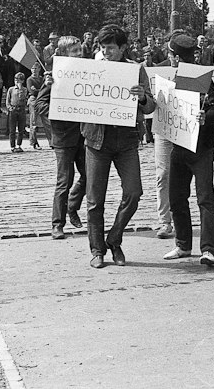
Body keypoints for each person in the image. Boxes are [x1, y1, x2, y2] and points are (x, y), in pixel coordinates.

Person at [82, 24, 155, 269]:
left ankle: (114, 238)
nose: (106, 52)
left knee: (134, 192)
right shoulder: (92, 69)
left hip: (126, 141)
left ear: (123, 47)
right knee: (94, 200)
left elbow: (151, 106)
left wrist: (142, 96)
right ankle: (97, 249)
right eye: (102, 48)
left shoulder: (136, 70)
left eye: (111, 48)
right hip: (96, 140)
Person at [162, 34, 214, 267]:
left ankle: (208, 250)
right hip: (179, 144)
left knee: (205, 198)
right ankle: (183, 244)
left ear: (176, 57)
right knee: (176, 197)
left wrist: (204, 116)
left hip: (202, 148)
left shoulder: (201, 78)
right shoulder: (167, 78)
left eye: (170, 55)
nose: (168, 58)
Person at [48, 36, 88, 239]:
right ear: (64, 54)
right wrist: (56, 113)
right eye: (75, 51)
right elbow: (40, 103)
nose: (79, 54)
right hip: (64, 137)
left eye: (80, 50)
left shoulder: (87, 73)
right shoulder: (55, 76)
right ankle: (58, 224)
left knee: (90, 175)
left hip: (83, 135)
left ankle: (72, 206)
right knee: (64, 181)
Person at [153, 33, 189, 239]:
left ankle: (180, 218)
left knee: (182, 176)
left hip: (184, 128)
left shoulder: (194, 71)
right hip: (163, 128)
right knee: (163, 174)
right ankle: (165, 221)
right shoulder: (158, 70)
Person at [6, 72, 29, 152]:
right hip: (13, 109)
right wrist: (9, 108)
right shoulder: (11, 89)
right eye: (15, 80)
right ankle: (12, 145)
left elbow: (24, 98)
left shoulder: (24, 90)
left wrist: (20, 90)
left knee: (21, 129)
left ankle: (19, 144)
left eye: (18, 80)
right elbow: (8, 100)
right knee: (12, 129)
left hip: (21, 109)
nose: (16, 82)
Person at [26, 62, 45, 150]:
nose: (34, 70)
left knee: (46, 120)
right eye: (32, 68)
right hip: (33, 99)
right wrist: (40, 90)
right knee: (33, 121)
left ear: (39, 69)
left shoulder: (41, 79)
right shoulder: (29, 79)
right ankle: (33, 141)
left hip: (41, 99)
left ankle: (51, 141)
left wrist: (39, 90)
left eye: (36, 68)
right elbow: (32, 91)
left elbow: (44, 89)